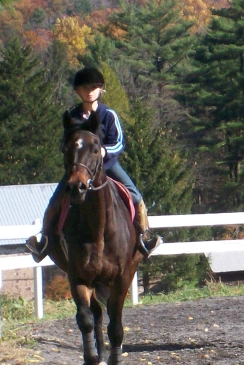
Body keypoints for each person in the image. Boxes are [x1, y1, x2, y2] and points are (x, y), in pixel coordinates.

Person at [26, 67, 162, 260]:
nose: (89, 91)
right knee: (55, 201)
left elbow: (119, 143)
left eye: (94, 87)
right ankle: (44, 242)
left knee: (137, 197)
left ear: (101, 90)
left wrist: (104, 151)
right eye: (84, 88)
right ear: (77, 91)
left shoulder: (109, 115)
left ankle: (144, 238)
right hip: (80, 168)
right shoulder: (72, 116)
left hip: (108, 167)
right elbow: (65, 143)